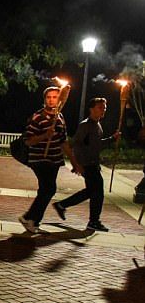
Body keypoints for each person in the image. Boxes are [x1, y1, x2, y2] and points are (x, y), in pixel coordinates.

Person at [18, 85, 82, 234]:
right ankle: (30, 218)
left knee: (46, 190)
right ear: (44, 99)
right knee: (49, 189)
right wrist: (44, 136)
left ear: (59, 99)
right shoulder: (38, 117)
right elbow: (28, 141)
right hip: (40, 159)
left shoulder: (59, 118)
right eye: (49, 97)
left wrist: (74, 162)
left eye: (55, 97)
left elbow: (63, 142)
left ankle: (30, 219)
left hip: (54, 160)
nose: (52, 100)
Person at [50, 97, 117, 232]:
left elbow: (96, 145)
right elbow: (75, 143)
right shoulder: (85, 125)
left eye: (104, 108)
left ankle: (62, 205)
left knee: (91, 191)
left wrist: (112, 139)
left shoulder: (97, 125)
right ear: (91, 109)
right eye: (100, 107)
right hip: (87, 164)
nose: (103, 110)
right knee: (97, 192)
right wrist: (77, 163)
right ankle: (93, 221)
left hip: (93, 163)